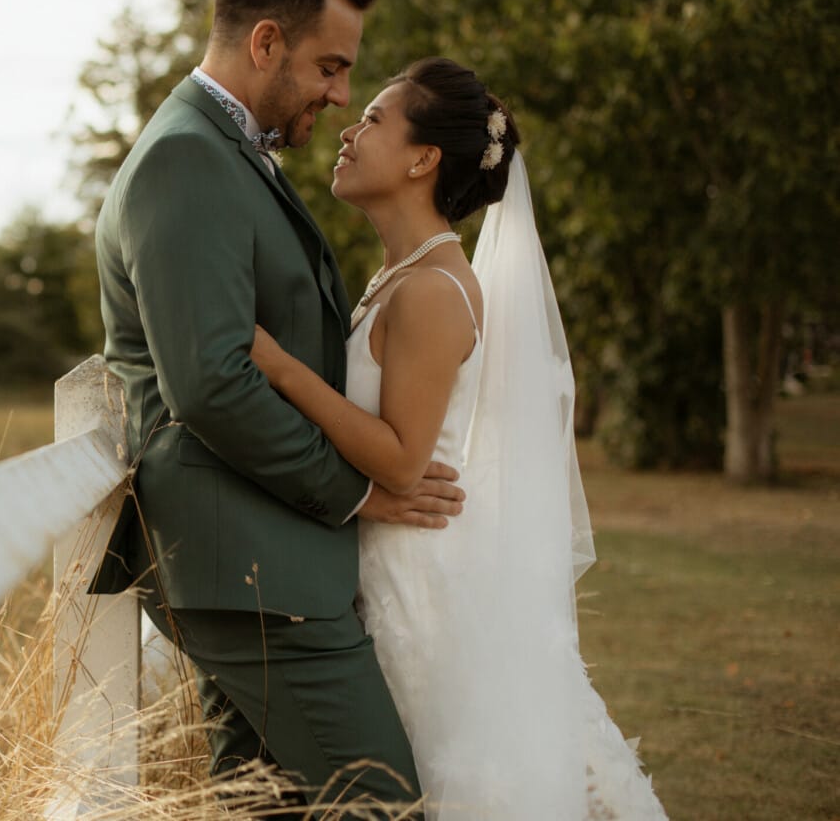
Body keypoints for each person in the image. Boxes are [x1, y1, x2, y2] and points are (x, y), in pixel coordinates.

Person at [89, 0, 463, 815]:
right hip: (251, 572)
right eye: (330, 67)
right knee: (384, 805)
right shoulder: (187, 160)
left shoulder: (229, 153)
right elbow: (213, 383)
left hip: (256, 562)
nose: (339, 96)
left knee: (266, 806)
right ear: (264, 43)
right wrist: (357, 493)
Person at [249, 56, 668, 819]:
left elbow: (405, 459)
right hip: (386, 564)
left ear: (423, 158)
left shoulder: (434, 289)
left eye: (373, 119)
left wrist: (280, 369)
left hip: (420, 584)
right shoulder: (398, 277)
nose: (348, 128)